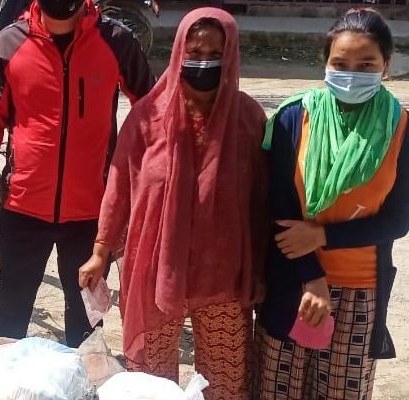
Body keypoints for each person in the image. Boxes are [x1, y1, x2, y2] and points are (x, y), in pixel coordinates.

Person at [79, 8, 268, 399]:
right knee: (152, 383)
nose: (204, 63)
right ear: (179, 52)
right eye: (194, 53)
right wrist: (100, 251)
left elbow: (264, 198)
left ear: (231, 56)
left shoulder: (248, 119)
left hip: (223, 276)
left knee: (225, 383)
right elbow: (119, 187)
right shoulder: (148, 116)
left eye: (215, 55)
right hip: (156, 270)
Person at [0, 0, 154, 347]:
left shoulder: (116, 41)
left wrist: (133, 181)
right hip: (22, 209)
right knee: (9, 318)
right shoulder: (11, 42)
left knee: (85, 328)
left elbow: (152, 111)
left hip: (91, 215)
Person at [256, 9, 409, 399]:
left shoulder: (400, 128)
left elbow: (397, 220)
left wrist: (323, 235)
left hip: (361, 292)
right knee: (277, 391)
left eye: (366, 64)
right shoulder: (293, 118)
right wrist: (312, 277)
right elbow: (280, 207)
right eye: (340, 64)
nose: (351, 74)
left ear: (386, 66)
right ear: (325, 63)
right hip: (293, 281)